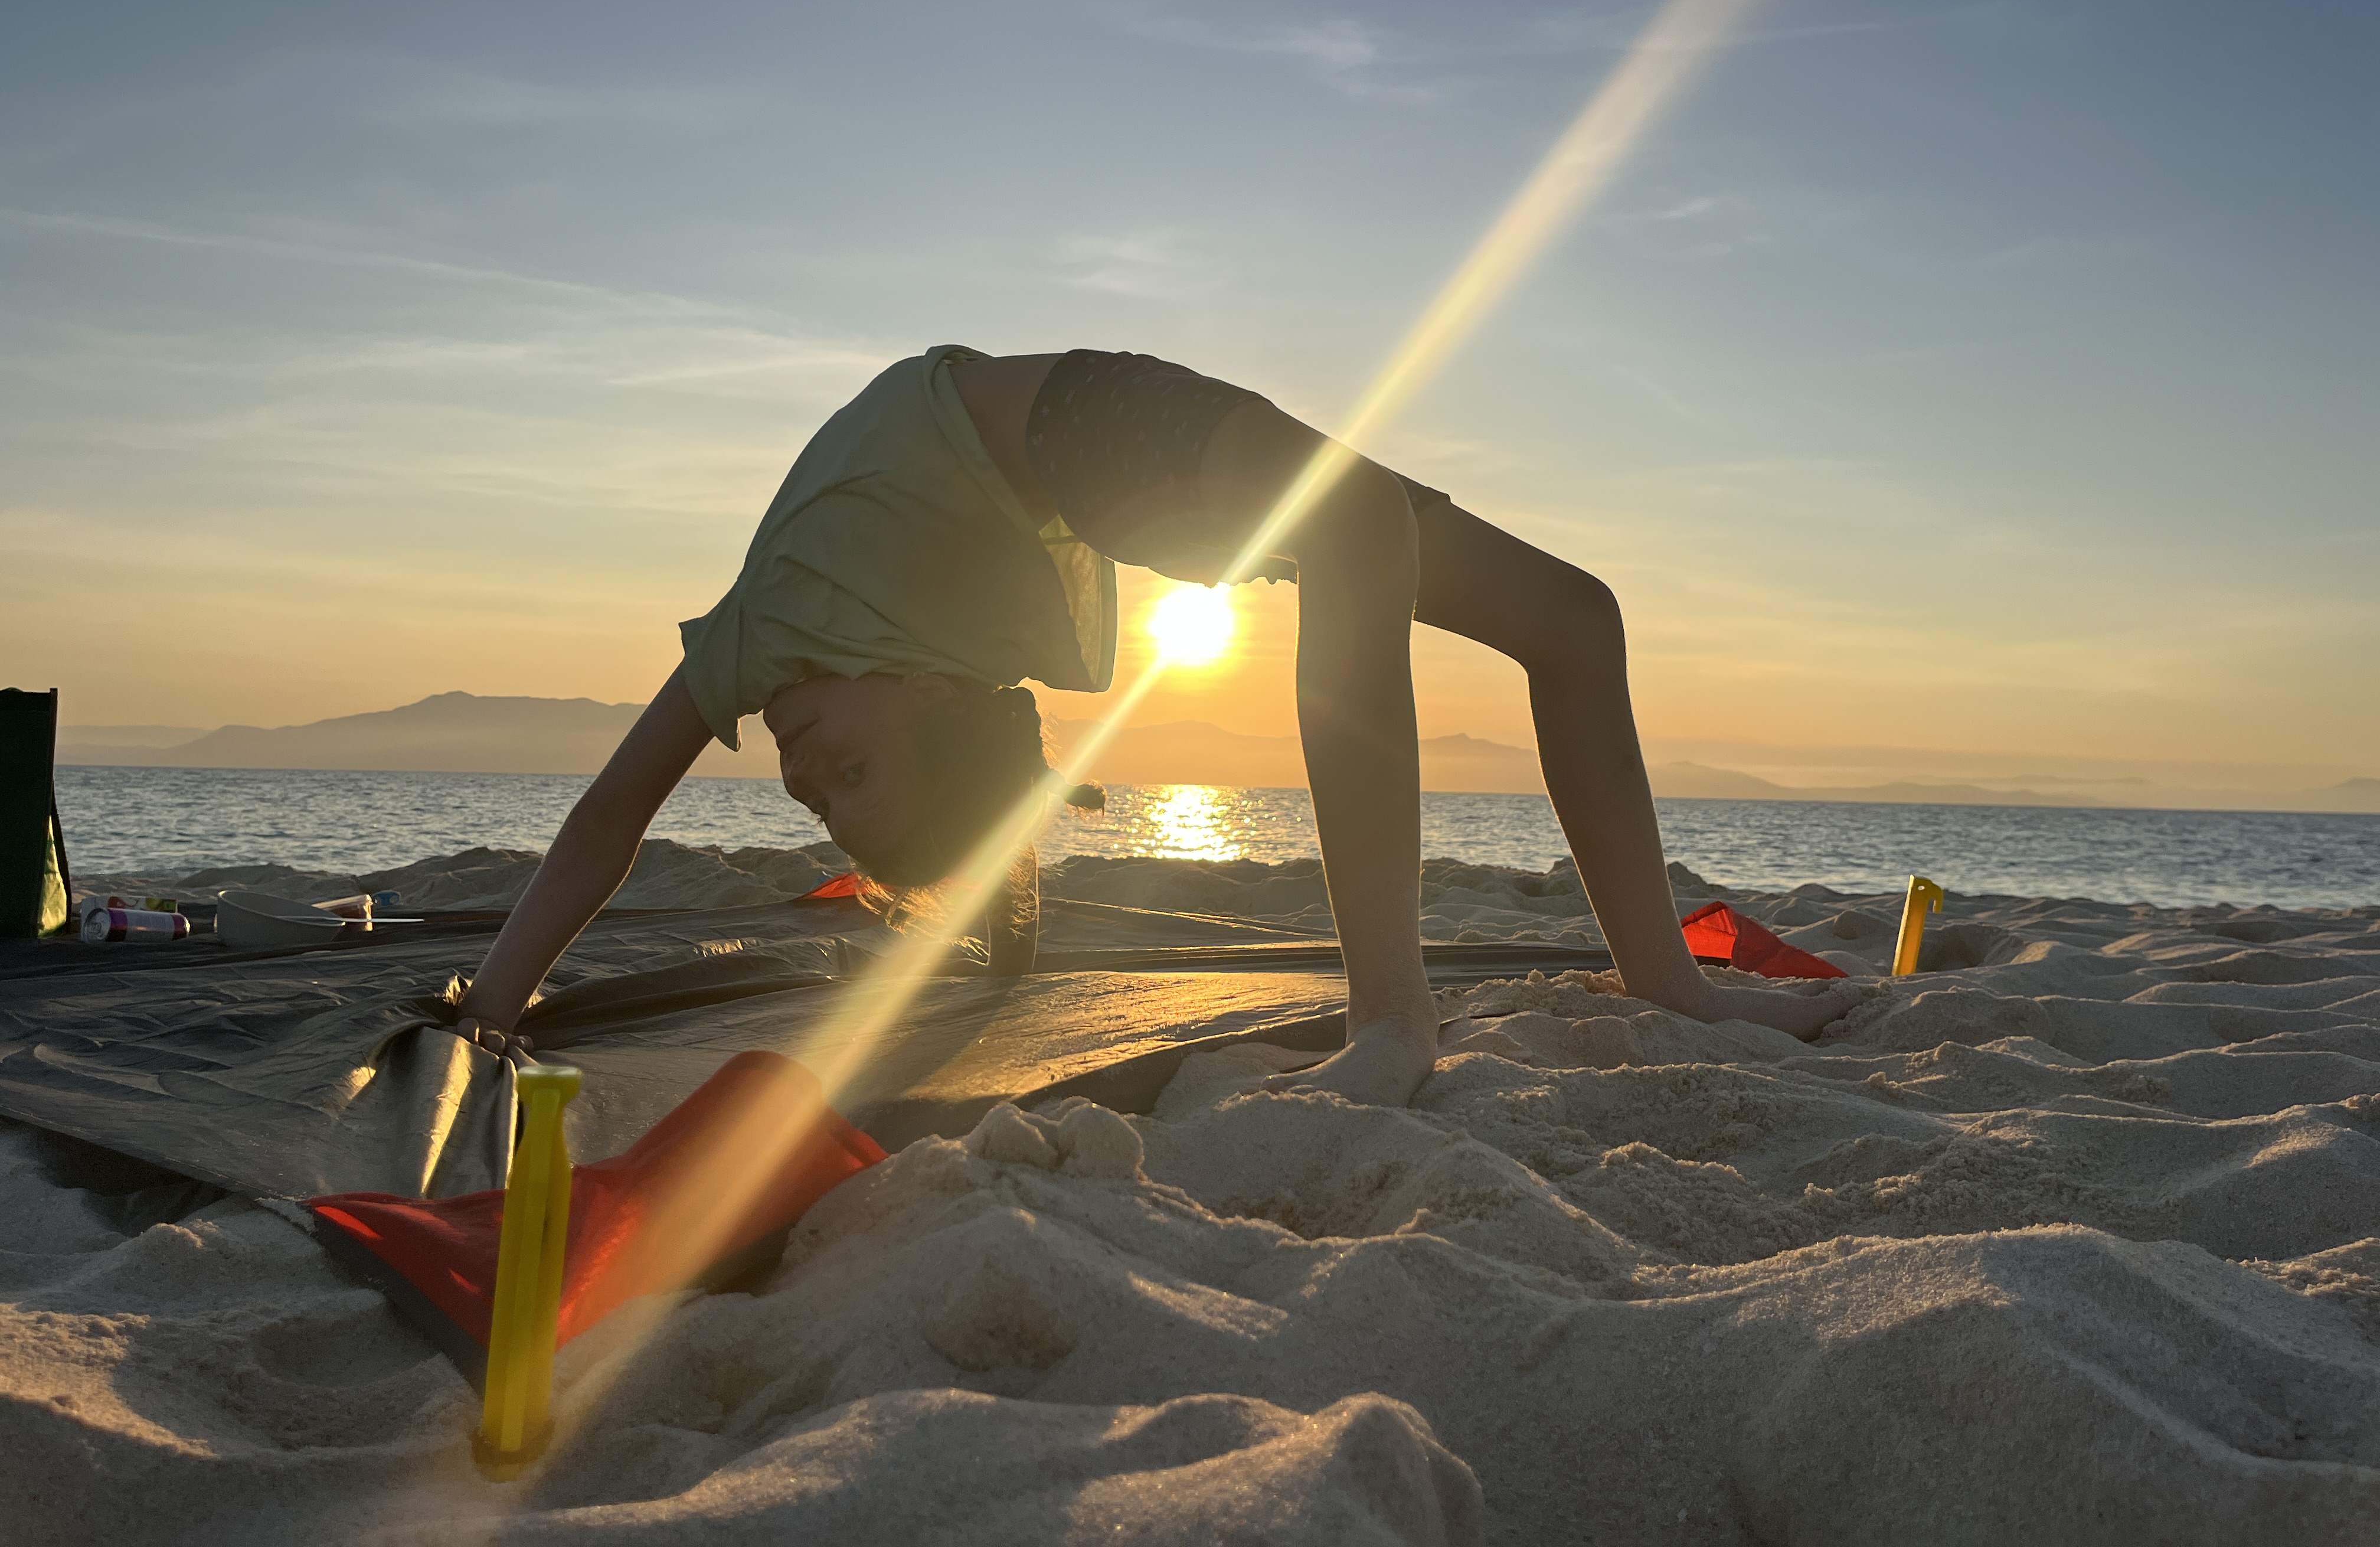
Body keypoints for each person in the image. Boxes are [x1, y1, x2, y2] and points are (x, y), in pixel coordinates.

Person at [452, 346, 1853, 1105]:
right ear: (943, 691)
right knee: (1527, 595)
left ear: (931, 696)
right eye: (831, 790)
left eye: (835, 776)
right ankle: (1497, 1001)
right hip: (1097, 506)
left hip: (1068, 425)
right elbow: (962, 790)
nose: (801, 767)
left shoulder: (750, 643)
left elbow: (601, 825)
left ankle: (1555, 992)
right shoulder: (923, 685)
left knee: (1543, 607)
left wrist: (483, 1002)